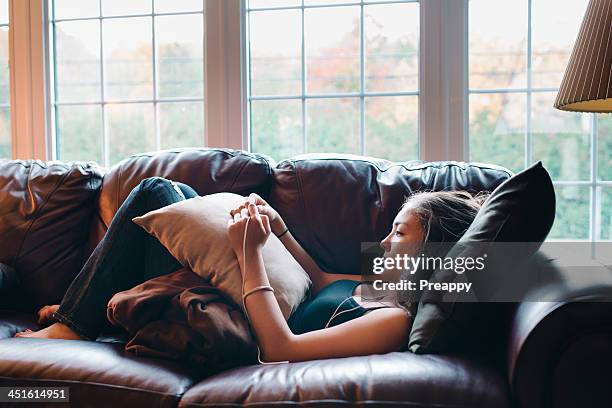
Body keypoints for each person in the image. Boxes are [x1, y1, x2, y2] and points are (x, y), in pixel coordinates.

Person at [14, 177, 487, 363]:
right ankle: (86, 309)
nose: (384, 242)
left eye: (399, 233)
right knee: (175, 193)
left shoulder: (393, 320)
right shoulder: (375, 289)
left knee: (155, 195)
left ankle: (74, 326)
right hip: (241, 295)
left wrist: (250, 256)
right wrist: (279, 231)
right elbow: (320, 279)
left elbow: (282, 347)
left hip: (236, 323)